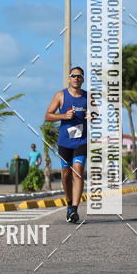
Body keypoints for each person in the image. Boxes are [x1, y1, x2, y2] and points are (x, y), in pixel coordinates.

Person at [44, 66, 87, 223]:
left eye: (79, 76)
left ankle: (75, 209)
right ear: (69, 78)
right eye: (73, 75)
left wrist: (92, 116)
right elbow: (47, 116)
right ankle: (69, 203)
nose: (76, 78)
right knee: (66, 174)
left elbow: (97, 116)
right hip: (64, 142)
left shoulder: (89, 98)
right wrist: (63, 115)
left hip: (81, 141)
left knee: (78, 170)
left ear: (83, 79)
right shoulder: (60, 95)